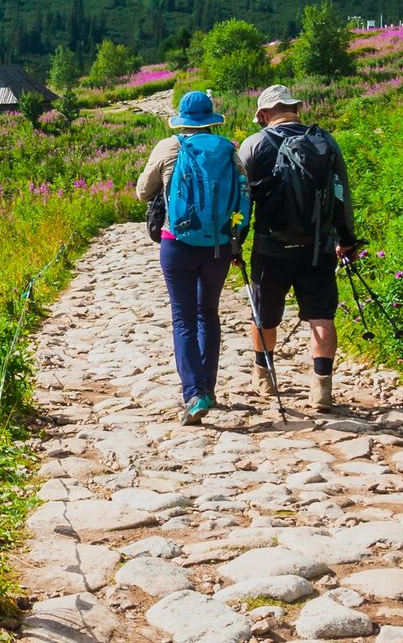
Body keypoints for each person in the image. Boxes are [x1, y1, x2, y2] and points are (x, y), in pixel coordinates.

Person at [237, 84, 358, 410]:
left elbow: (242, 199)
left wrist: (236, 240)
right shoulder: (325, 142)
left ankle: (263, 375)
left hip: (270, 247)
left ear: (263, 115)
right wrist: (346, 239)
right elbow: (340, 195)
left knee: (264, 315)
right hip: (318, 247)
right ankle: (322, 388)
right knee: (321, 315)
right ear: (296, 108)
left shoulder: (254, 144)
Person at [135, 89, 249, 425]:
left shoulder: (169, 147)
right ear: (211, 118)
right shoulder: (230, 149)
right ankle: (208, 389)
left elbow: (143, 191)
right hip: (216, 246)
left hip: (177, 242)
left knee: (183, 317)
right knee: (208, 314)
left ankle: (193, 394)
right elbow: (244, 195)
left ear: (182, 120)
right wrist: (235, 240)